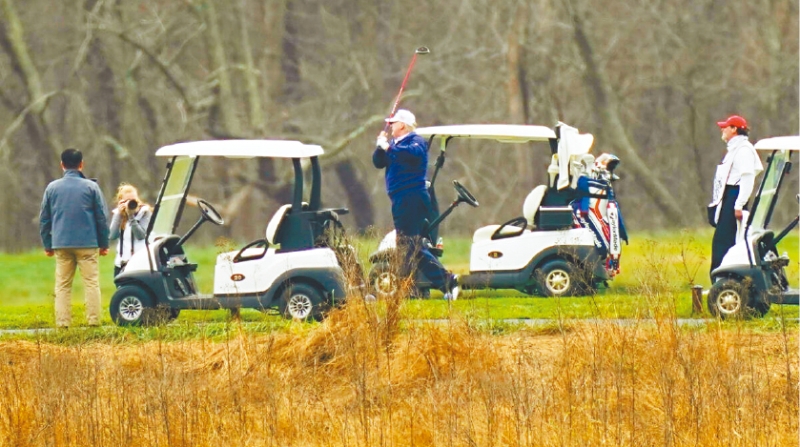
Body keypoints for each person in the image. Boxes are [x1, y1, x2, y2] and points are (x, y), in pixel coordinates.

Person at [372, 109, 459, 300]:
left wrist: (388, 148)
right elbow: (378, 163)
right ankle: (446, 282)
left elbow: (410, 155)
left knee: (408, 245)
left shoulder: (415, 141)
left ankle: (410, 289)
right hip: (399, 199)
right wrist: (380, 147)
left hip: (412, 197)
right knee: (412, 246)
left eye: (393, 123)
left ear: (402, 125)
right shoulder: (394, 145)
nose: (391, 125)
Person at [39, 148, 110, 328]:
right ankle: (93, 322)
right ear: (81, 164)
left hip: (61, 243)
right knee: (91, 283)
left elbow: (45, 219)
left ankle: (63, 324)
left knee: (62, 285)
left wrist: (48, 244)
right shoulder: (91, 187)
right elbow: (101, 217)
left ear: (62, 165)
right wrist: (103, 244)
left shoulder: (52, 188)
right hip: (88, 243)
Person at [708, 115, 763, 279]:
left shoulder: (744, 150)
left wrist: (738, 205)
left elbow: (747, 178)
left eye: (726, 127)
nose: (722, 129)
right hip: (729, 198)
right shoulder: (735, 149)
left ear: (734, 129)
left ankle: (723, 279)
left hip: (734, 198)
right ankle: (722, 279)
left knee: (724, 242)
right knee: (723, 241)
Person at [109, 183, 152, 278]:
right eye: (127, 201)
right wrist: (119, 215)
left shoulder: (144, 212)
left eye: (133, 200)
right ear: (121, 201)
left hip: (140, 262)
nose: (130, 203)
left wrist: (131, 216)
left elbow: (141, 235)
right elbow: (112, 235)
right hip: (122, 262)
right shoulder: (119, 214)